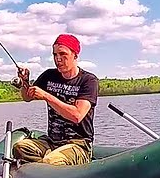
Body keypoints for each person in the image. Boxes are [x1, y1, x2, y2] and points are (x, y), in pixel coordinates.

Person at [13, 33, 99, 167]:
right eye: (55, 55)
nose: (58, 59)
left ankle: (48, 164)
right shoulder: (49, 75)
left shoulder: (88, 80)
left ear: (75, 55)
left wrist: (46, 96)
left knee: (52, 161)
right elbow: (27, 97)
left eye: (63, 54)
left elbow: (77, 116)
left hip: (78, 144)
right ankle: (46, 163)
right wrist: (25, 82)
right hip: (52, 142)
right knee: (20, 147)